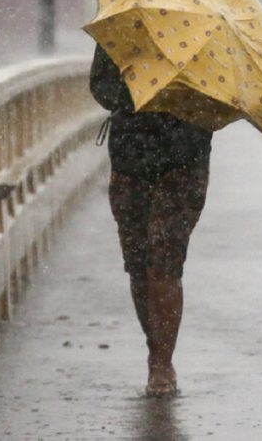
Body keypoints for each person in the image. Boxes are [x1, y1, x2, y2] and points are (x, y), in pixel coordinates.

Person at [89, 44, 213, 396]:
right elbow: (101, 88)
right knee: (139, 265)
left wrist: (178, 95)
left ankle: (162, 362)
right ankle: (154, 348)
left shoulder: (204, 35)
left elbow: (218, 100)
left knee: (164, 262)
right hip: (131, 159)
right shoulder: (125, 27)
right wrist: (138, 84)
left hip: (184, 161)